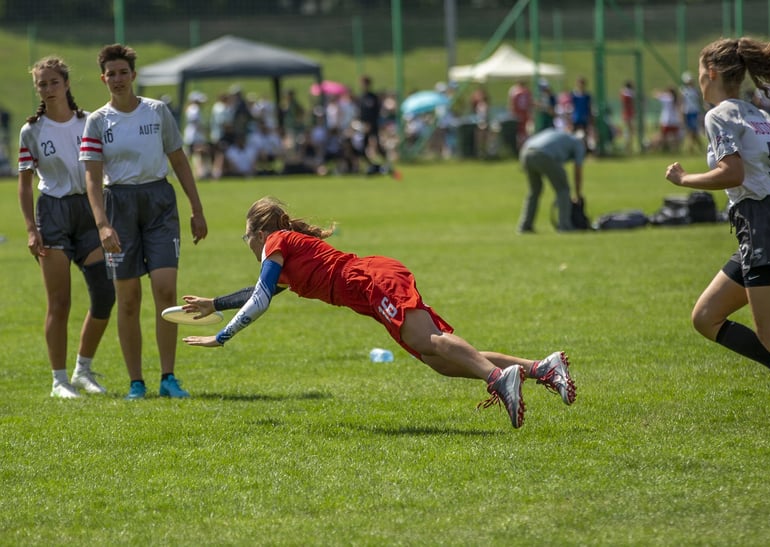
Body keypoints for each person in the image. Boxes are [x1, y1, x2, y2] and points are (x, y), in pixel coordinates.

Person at [178, 197, 576, 428]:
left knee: (427, 341)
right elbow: (259, 291)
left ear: (260, 234)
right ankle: (541, 368)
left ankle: (498, 379)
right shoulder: (287, 260)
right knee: (436, 359)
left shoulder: (276, 242)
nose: (248, 244)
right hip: (371, 289)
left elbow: (260, 298)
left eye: (247, 237)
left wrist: (222, 335)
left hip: (373, 281)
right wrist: (215, 304)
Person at [664, 35, 770, 445]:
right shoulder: (758, 114)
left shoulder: (718, 116)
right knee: (706, 316)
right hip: (768, 222)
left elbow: (732, 173)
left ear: (710, 74)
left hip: (763, 225)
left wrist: (684, 179)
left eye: (700, 73)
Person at [81, 44, 208, 400]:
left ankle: (169, 377)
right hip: (118, 205)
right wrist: (103, 224)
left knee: (166, 289)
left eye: (124, 72)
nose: (118, 79)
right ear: (103, 78)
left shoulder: (157, 112)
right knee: (129, 298)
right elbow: (92, 178)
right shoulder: (97, 121)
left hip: (159, 203)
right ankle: (137, 382)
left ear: (133, 75)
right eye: (111, 74)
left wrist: (196, 208)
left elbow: (180, 161)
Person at [18, 57, 115, 399]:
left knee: (105, 294)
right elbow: (26, 184)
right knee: (59, 303)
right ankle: (59, 380)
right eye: (41, 84)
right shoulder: (31, 131)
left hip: (89, 214)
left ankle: (83, 368)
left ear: (66, 83)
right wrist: (32, 229)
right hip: (54, 215)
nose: (47, 89)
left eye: (53, 82)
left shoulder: (90, 122)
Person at [517, 128, 585, 234]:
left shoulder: (558, 134)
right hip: (543, 155)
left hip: (525, 153)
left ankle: (525, 226)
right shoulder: (578, 143)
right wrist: (577, 194)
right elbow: (577, 171)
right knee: (563, 189)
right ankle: (565, 226)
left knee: (534, 191)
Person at [679, 72, 704, 153]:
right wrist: (681, 114)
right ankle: (696, 148)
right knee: (691, 131)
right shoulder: (683, 90)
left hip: (694, 112)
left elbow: (699, 101)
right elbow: (682, 103)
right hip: (687, 112)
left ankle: (692, 148)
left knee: (693, 131)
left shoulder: (695, 91)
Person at [508, 79, 532, 150]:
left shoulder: (515, 92)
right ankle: (522, 147)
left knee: (521, 132)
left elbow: (512, 105)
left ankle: (521, 147)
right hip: (523, 114)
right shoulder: (525, 92)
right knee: (523, 132)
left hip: (519, 114)